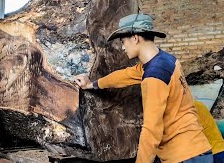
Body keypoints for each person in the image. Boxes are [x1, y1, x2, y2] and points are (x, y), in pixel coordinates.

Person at [74, 13, 212, 162]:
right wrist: (92, 84)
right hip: (197, 149)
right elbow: (125, 75)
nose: (122, 47)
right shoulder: (166, 60)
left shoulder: (154, 76)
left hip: (184, 156)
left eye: (123, 41)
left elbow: (152, 129)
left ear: (135, 38)